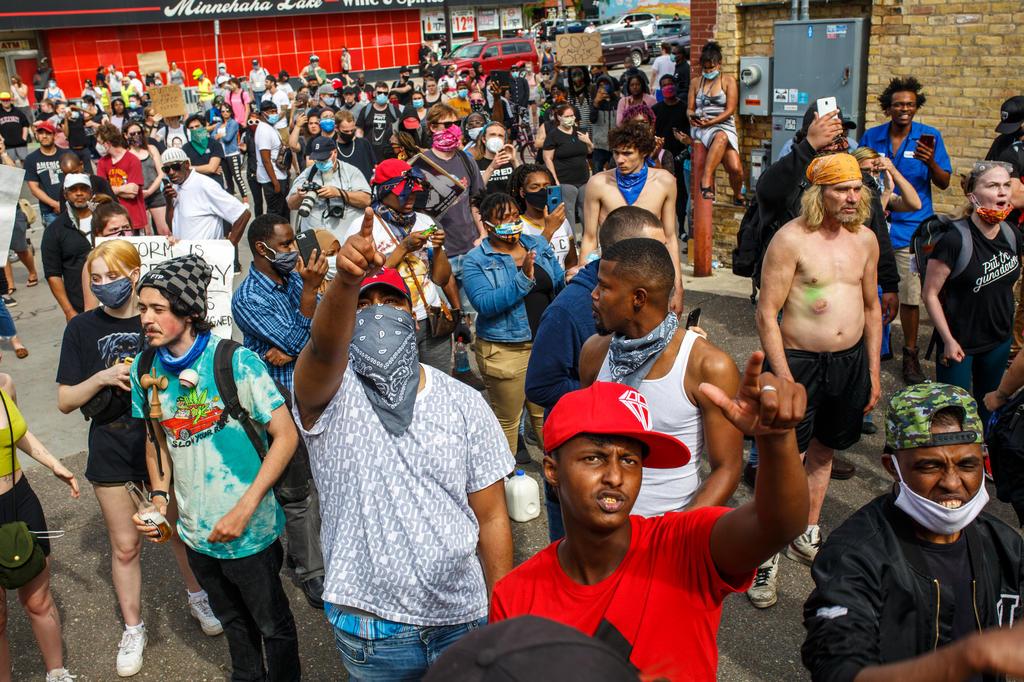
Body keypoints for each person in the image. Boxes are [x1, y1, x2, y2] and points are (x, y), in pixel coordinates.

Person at [490, 349, 811, 679]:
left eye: (629, 460)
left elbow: (778, 525)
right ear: (552, 470)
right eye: (594, 458)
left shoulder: (684, 544)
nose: (616, 477)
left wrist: (775, 439)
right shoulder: (516, 595)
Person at [292, 210, 514, 680]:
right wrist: (346, 282)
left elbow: (492, 515)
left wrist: (501, 612)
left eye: (389, 302)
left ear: (411, 315)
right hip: (371, 626)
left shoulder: (463, 401)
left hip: (463, 618)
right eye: (363, 304)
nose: (376, 311)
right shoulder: (327, 395)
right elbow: (325, 349)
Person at [130, 253, 300, 680]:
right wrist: (157, 500)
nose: (146, 318)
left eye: (157, 309)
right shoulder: (144, 368)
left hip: (250, 531)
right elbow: (157, 446)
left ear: (189, 314)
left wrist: (245, 508)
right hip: (196, 532)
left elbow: (286, 436)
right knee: (232, 621)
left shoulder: (234, 362)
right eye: (142, 309)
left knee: (272, 625)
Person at [56, 240, 222, 676]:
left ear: (134, 275)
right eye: (96, 279)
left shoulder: (159, 317)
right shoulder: (81, 330)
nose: (104, 285)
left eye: (112, 276)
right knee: (126, 546)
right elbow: (64, 400)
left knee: (179, 531)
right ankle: (134, 628)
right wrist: (104, 376)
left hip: (164, 441)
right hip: (111, 447)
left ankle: (199, 597)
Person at [803, 383, 1024, 682]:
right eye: (930, 466)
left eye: (967, 464)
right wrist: (964, 659)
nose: (952, 482)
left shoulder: (1004, 546)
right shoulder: (854, 556)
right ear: (892, 467)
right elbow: (839, 669)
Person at [751, 152, 881, 608]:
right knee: (785, 459)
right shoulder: (790, 240)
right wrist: (784, 378)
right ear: (818, 193)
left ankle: (806, 529)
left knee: (825, 450)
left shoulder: (865, 240)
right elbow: (767, 314)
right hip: (798, 362)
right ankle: (765, 555)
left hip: (847, 365)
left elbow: (871, 309)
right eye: (841, 189)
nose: (851, 196)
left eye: (856, 188)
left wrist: (872, 371)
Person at [525, 206, 665, 538]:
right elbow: (541, 386)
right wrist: (609, 390)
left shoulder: (646, 298)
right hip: (580, 462)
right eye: (653, 252)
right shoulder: (569, 311)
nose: (664, 262)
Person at [580, 236, 743, 515]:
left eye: (605, 287)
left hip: (670, 534)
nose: (593, 294)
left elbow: (727, 469)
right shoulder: (594, 352)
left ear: (638, 298)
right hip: (601, 533)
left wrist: (673, 537)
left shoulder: (707, 367)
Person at [230, 214, 329, 608]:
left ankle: (312, 552)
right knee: (298, 490)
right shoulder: (248, 297)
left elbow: (323, 326)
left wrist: (296, 340)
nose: (293, 252)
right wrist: (309, 295)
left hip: (314, 395)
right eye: (286, 245)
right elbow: (297, 332)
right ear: (262, 249)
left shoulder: (294, 280)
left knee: (322, 481)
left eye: (292, 243)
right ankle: (311, 572)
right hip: (280, 405)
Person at [860, 76, 952, 385]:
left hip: (912, 227)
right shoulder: (872, 136)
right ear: (888, 108)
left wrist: (931, 163)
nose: (905, 109)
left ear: (916, 107)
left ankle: (910, 354)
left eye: (910, 104)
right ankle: (871, 346)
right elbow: (860, 173)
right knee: (872, 293)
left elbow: (943, 182)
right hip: (875, 225)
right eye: (899, 104)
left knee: (911, 296)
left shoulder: (929, 136)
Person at [463, 192, 564, 459]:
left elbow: (556, 280)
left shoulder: (534, 244)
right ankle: (506, 485)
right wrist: (523, 279)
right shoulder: (476, 260)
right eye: (503, 218)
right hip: (506, 352)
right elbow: (485, 303)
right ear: (487, 224)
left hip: (544, 346)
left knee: (546, 416)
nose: (511, 222)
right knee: (508, 422)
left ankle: (557, 474)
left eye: (513, 215)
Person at [922, 161, 1021, 425]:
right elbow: (930, 294)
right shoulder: (955, 239)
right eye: (992, 185)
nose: (1002, 192)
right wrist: (948, 340)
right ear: (972, 195)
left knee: (990, 410)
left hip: (998, 339)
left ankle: (986, 463)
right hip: (959, 342)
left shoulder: (1012, 234)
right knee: (955, 415)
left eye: (1006, 185)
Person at [0, 370, 79, 682]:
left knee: (38, 601)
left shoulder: (5, 384)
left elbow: (17, 432)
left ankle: (57, 673)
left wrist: (54, 464)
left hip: (21, 500)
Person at [342, 158, 456, 372]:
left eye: (413, 191)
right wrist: (403, 248)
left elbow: (440, 278)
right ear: (384, 191)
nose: (411, 196)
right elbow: (365, 283)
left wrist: (438, 249)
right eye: (403, 192)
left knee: (438, 381)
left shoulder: (425, 222)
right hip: (388, 323)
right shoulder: (363, 227)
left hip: (430, 320)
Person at [582, 121, 684, 313]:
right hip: (610, 274)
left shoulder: (665, 182)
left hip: (649, 274)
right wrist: (582, 282)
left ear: (644, 152)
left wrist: (678, 287)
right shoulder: (598, 183)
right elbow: (589, 237)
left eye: (627, 153)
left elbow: (670, 238)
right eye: (616, 152)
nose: (620, 159)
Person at [423, 103, 486, 311]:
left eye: (457, 124)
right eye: (448, 124)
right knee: (448, 316)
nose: (454, 129)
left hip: (469, 248)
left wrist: (483, 234)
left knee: (473, 313)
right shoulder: (422, 164)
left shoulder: (466, 160)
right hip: (438, 254)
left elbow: (476, 200)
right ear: (433, 127)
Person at [688, 41, 744, 203]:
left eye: (711, 68)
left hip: (724, 123)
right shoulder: (695, 83)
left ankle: (737, 194)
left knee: (736, 168)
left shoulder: (728, 81)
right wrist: (693, 117)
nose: (708, 71)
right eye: (705, 68)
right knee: (720, 137)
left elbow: (730, 110)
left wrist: (711, 122)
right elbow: (689, 109)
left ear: (719, 64)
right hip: (702, 125)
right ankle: (706, 180)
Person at [160, 147, 251, 242]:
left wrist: (228, 248)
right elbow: (173, 228)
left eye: (175, 167)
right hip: (184, 253)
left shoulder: (205, 185)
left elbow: (243, 214)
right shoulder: (175, 187)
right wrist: (169, 202)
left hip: (207, 255)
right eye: (166, 169)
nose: (171, 172)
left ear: (186, 164)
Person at [288, 136, 371, 238]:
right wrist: (299, 196)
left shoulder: (351, 172)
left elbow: (366, 200)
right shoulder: (308, 174)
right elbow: (291, 205)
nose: (321, 162)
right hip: (315, 238)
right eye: (317, 159)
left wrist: (338, 193)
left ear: (335, 153)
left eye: (324, 158)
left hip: (344, 240)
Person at [42, 173, 96, 320]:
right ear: (65, 194)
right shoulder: (54, 231)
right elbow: (53, 274)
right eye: (73, 190)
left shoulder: (107, 217)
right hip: (81, 306)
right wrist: (69, 311)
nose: (79, 193)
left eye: (83, 188)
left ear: (91, 192)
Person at [542, 102, 593, 232]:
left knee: (586, 211)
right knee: (568, 212)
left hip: (583, 179)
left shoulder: (579, 132)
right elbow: (547, 158)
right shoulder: (553, 135)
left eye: (572, 116)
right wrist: (555, 179)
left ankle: (590, 239)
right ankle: (572, 243)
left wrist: (589, 143)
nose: (571, 118)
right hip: (565, 180)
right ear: (559, 117)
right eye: (567, 116)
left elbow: (589, 152)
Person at [96, 124, 148, 233]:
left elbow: (133, 192)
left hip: (134, 217)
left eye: (100, 142)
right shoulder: (102, 162)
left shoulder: (132, 160)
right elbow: (102, 192)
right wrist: (122, 189)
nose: (98, 146)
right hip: (113, 219)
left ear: (107, 143)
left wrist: (111, 189)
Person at [124, 120, 169, 236]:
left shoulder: (151, 149)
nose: (136, 136)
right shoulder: (126, 155)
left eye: (139, 133)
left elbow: (161, 173)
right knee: (146, 233)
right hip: (137, 197)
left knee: (164, 230)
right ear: (125, 135)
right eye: (132, 134)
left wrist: (149, 191)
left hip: (155, 193)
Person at [24, 120, 64, 226]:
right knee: (55, 242)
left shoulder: (66, 154)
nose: (44, 136)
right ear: (36, 136)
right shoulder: (31, 159)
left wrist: (66, 205)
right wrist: (55, 204)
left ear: (54, 135)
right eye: (41, 133)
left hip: (72, 207)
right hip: (49, 212)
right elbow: (34, 189)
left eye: (48, 133)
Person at [254, 100, 289, 217]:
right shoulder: (263, 130)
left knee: (284, 211)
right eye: (271, 112)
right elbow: (266, 159)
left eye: (275, 111)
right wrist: (275, 183)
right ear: (262, 114)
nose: (274, 114)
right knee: (275, 214)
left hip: (279, 174)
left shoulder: (270, 127)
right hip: (272, 179)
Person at [357, 82, 401, 163]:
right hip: (369, 155)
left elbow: (400, 130)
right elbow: (359, 130)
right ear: (374, 93)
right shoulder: (366, 110)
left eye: (385, 93)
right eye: (379, 92)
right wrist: (361, 147)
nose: (382, 95)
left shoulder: (394, 110)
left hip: (389, 156)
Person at [475, 121, 518, 195]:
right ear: (484, 139)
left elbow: (525, 183)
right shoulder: (475, 164)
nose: (496, 138)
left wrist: (514, 161)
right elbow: (476, 190)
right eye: (492, 135)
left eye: (500, 136)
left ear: (504, 141)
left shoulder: (509, 161)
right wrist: (491, 168)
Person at [182, 114, 224, 188]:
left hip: (215, 185)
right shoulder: (185, 148)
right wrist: (206, 169)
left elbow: (211, 168)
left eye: (197, 126)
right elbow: (183, 170)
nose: (195, 129)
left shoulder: (214, 144)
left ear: (204, 127)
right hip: (196, 187)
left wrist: (190, 168)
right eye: (191, 128)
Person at [0, 92, 30, 166]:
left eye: (7, 100)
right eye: (3, 100)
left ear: (10, 100)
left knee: (25, 164)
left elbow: (25, 124)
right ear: (1, 101)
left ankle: (25, 178)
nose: (6, 102)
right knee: (10, 166)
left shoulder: (18, 112)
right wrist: (1, 139)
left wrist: (24, 137)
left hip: (21, 143)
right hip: (7, 144)